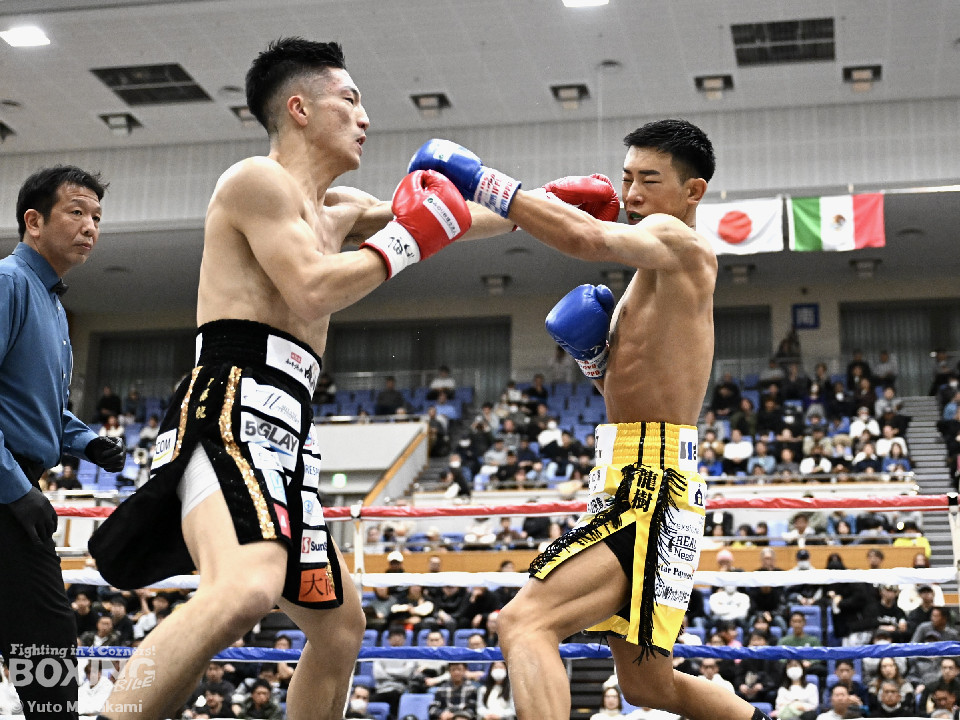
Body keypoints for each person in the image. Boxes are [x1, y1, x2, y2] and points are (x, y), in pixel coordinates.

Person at [86, 37, 510, 720]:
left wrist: (551, 208)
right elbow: (312, 288)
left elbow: (460, 221)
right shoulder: (255, 181)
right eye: (350, 99)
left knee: (339, 627)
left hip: (288, 429)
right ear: (299, 108)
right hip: (231, 403)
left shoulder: (342, 208)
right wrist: (408, 239)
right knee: (244, 589)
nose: (365, 117)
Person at [409, 122, 772, 720]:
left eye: (649, 180)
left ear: (693, 191)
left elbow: (586, 237)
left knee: (524, 623)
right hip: (639, 473)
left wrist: (479, 179)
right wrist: (595, 361)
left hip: (649, 485)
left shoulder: (678, 241)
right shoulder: (651, 277)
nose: (631, 194)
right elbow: (631, 393)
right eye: (627, 177)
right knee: (648, 687)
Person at [0, 165, 126, 720]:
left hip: (18, 486)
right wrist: (13, 488)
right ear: (34, 221)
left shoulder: (50, 301)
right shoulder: (9, 283)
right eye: (76, 211)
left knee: (37, 643)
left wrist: (88, 442)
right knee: (46, 643)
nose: (90, 226)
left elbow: (40, 408)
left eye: (97, 216)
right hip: (7, 490)